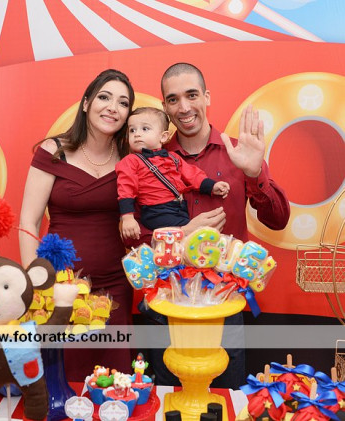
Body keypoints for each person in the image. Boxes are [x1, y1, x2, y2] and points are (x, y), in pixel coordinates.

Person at [141, 62, 290, 390]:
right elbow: (136, 235)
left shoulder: (239, 152)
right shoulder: (150, 161)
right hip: (168, 302)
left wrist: (254, 173)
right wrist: (180, 235)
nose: (184, 107)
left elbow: (278, 220)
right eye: (173, 99)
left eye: (192, 95)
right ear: (165, 106)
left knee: (224, 398)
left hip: (225, 302)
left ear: (207, 97)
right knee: (168, 399)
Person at [19, 69, 135, 381]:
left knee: (114, 384)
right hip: (61, 287)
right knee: (62, 380)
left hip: (115, 288)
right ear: (86, 104)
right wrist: (35, 282)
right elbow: (29, 220)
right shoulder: (53, 151)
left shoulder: (130, 158)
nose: (113, 107)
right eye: (104, 97)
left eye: (123, 103)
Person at [116, 106, 230, 240]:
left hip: (179, 208)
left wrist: (212, 186)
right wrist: (128, 217)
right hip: (156, 211)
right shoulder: (131, 160)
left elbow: (192, 174)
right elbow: (126, 188)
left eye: (145, 129)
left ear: (163, 136)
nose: (137, 134)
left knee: (182, 243)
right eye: (132, 130)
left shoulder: (173, 157)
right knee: (192, 235)